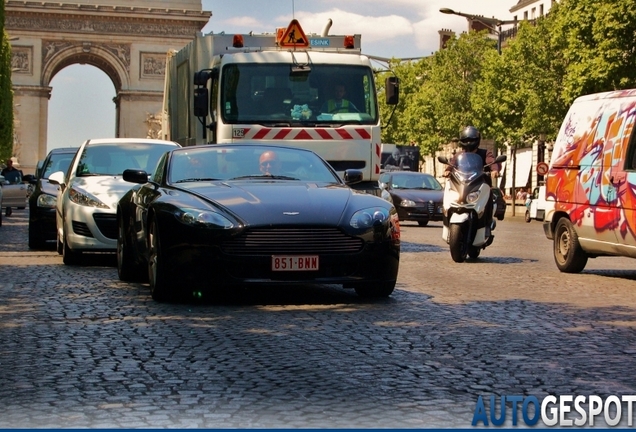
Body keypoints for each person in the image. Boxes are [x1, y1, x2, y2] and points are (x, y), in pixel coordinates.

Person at [443, 126, 500, 234]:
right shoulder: (459, 155)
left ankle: (487, 222)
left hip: (480, 185)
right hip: (462, 185)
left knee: (489, 199)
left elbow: (492, 162)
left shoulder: (485, 153)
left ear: (477, 140)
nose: (468, 142)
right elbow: (452, 165)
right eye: (466, 140)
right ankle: (447, 222)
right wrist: (447, 171)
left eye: (471, 140)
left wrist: (494, 170)